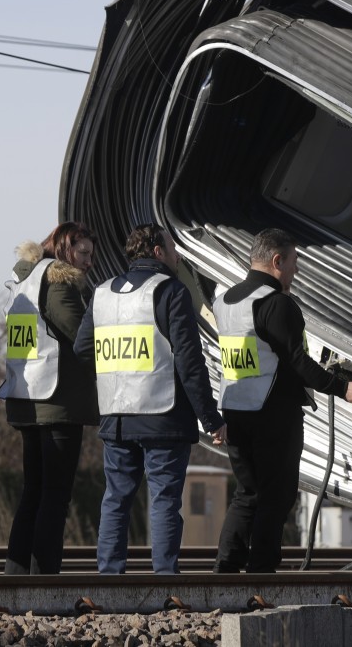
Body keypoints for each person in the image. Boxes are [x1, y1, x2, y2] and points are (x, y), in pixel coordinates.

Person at [213, 228, 352, 573]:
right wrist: (344, 388)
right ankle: (261, 572)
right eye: (293, 263)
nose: (296, 271)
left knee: (247, 494)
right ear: (277, 261)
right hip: (273, 414)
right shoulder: (276, 304)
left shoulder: (226, 301)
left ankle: (225, 570)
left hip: (234, 410)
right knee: (276, 495)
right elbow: (298, 361)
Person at [74, 223, 227, 574]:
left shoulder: (102, 293)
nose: (177, 255)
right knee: (163, 500)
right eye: (173, 248)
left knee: (115, 499)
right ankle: (163, 580)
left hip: (116, 416)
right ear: (158, 252)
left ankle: (109, 576)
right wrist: (211, 418)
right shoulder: (172, 291)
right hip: (163, 414)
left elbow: (83, 349)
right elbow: (190, 363)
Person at [0, 222, 100, 575]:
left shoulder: (25, 280)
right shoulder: (59, 285)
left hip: (26, 398)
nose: (88, 262)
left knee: (34, 492)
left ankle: (17, 573)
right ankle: (44, 578)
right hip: (56, 402)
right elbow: (83, 337)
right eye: (83, 254)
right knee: (54, 495)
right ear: (65, 249)